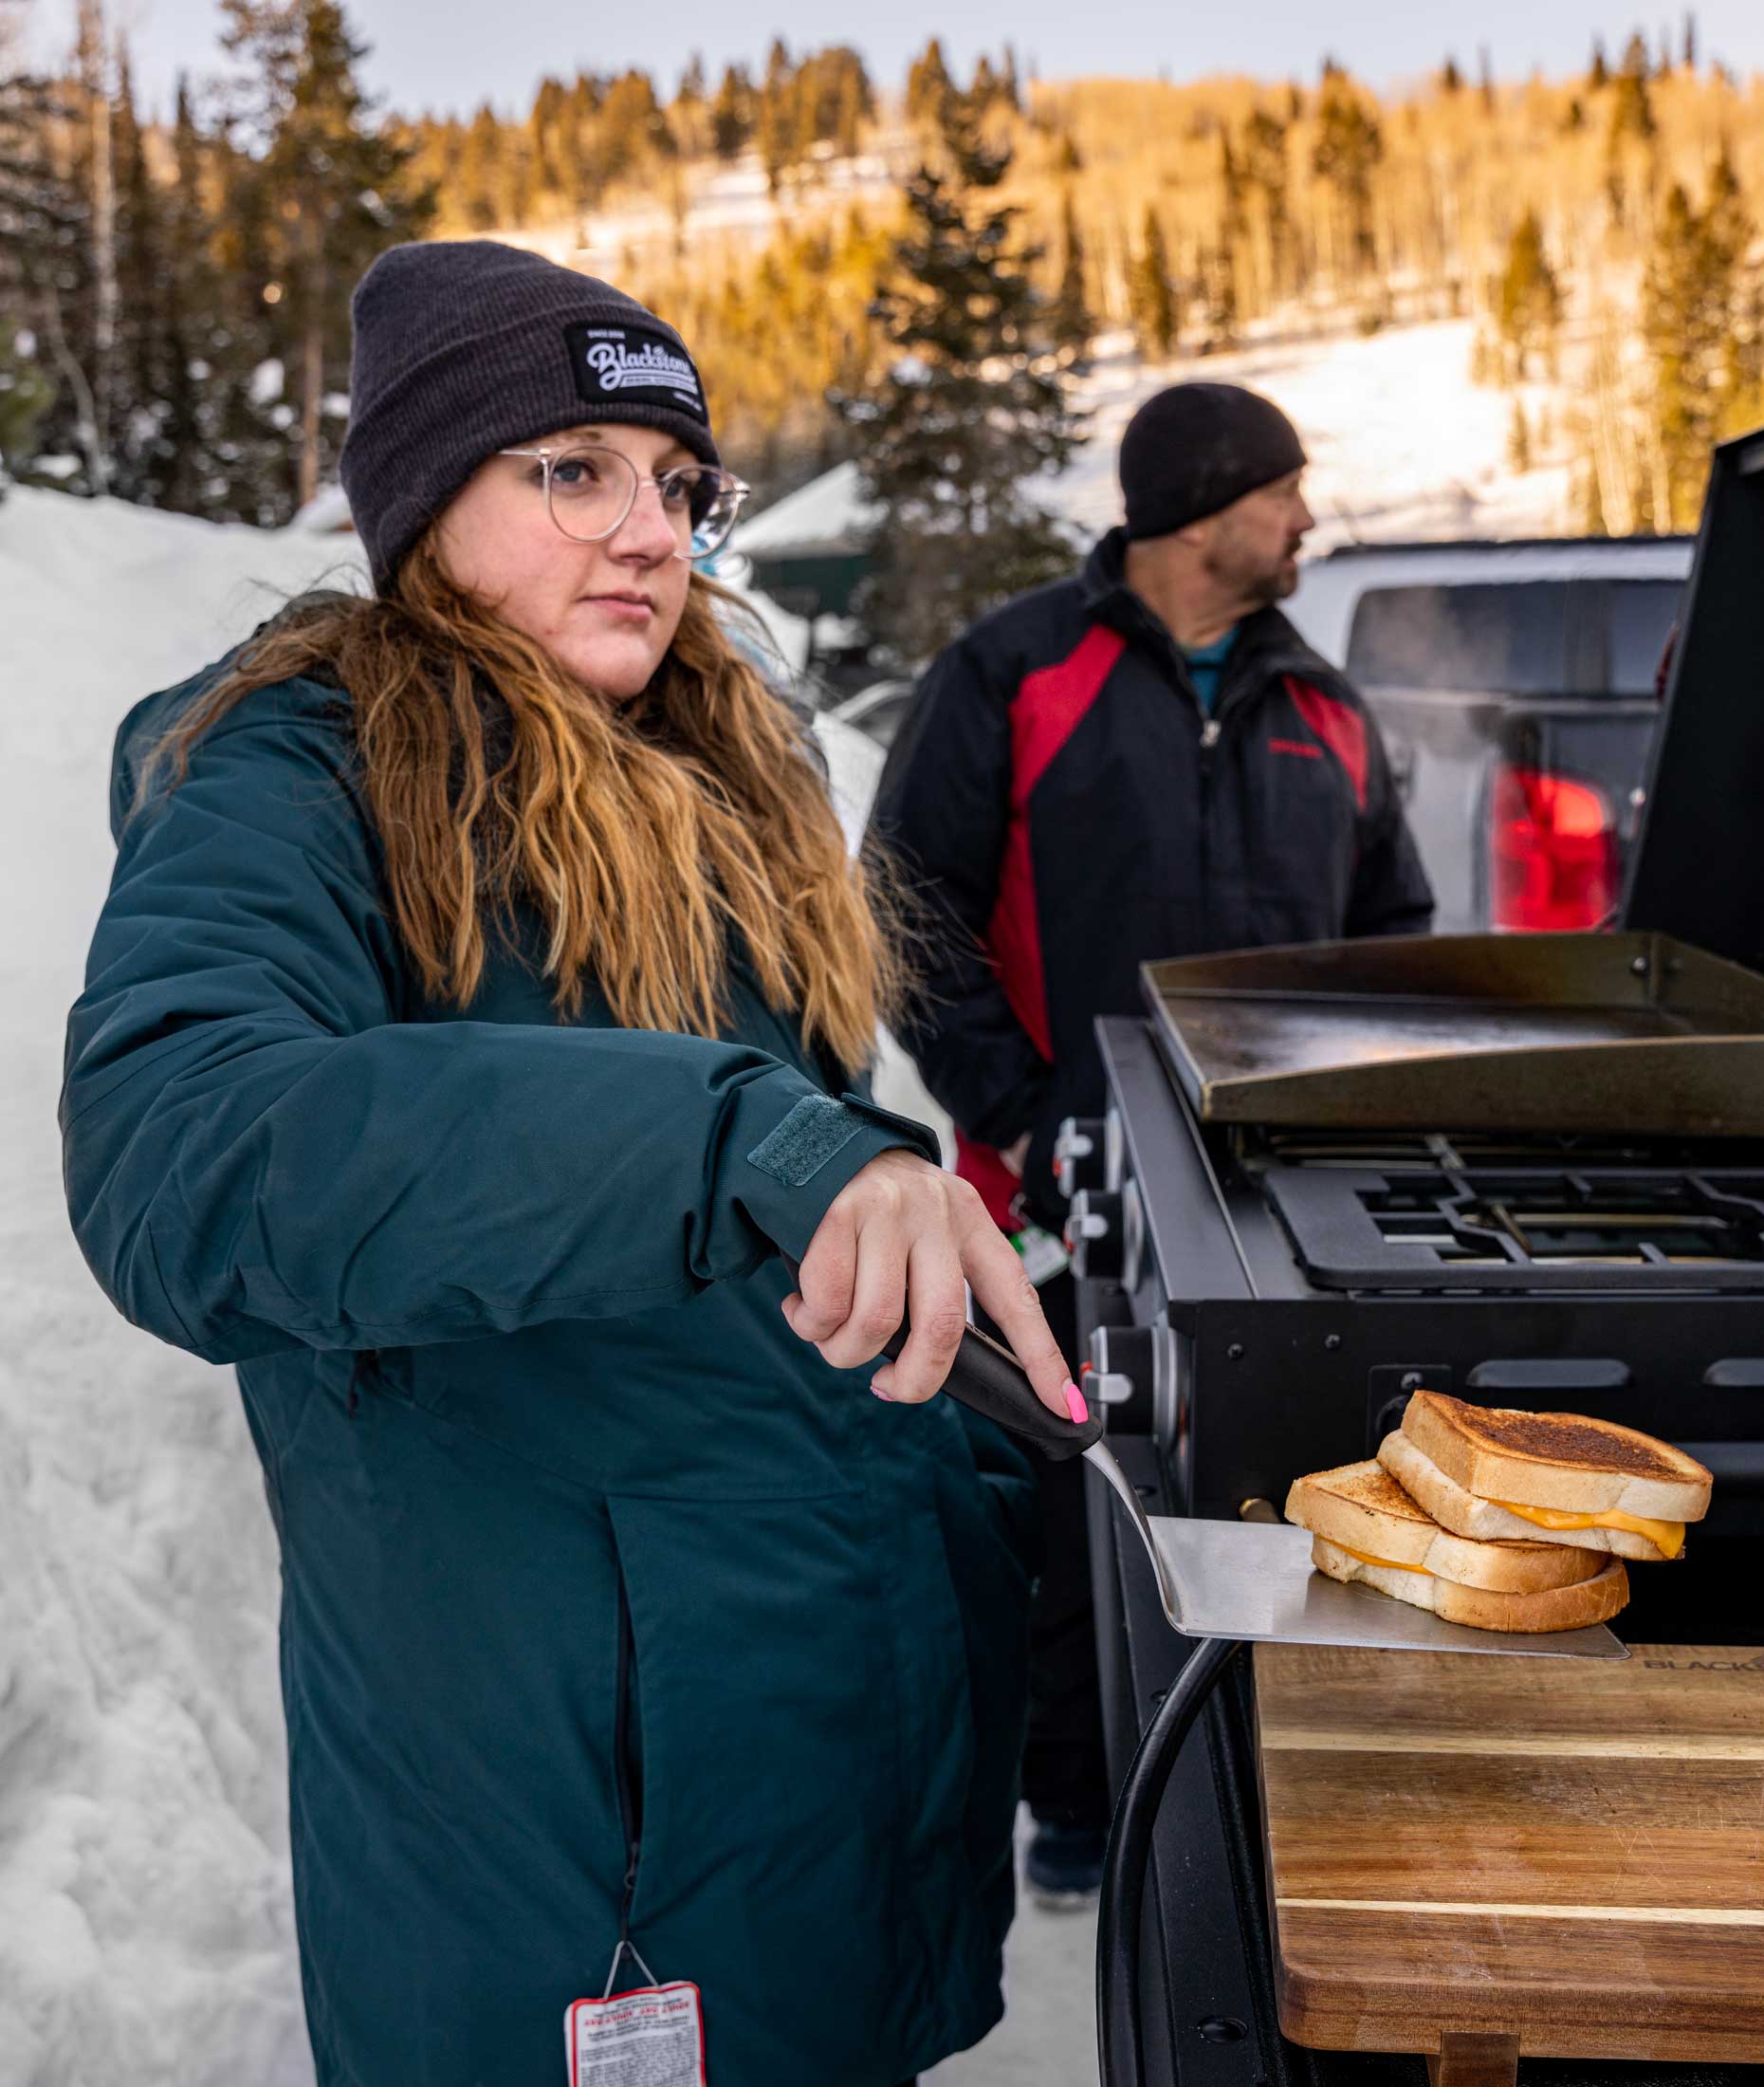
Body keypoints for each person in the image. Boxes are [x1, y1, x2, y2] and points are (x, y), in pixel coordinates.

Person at [60, 240, 1081, 2087]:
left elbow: (789, 1218)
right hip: (575, 1836)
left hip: (812, 1749)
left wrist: (989, 1458)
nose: (651, 531)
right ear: (425, 488)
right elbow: (182, 1146)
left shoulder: (717, 777)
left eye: (680, 484)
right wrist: (736, 1142)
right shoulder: (304, 773)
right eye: (572, 467)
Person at [873, 380, 1435, 1902]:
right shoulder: (1013, 676)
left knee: (1289, 1494)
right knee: (1075, 1495)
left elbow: (1399, 937)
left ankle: (1272, 1792)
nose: (1308, 519)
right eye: (1286, 491)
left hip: (1285, 1208)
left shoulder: (1325, 706)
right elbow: (904, 918)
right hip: (1061, 1200)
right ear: (1202, 503)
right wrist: (1027, 1116)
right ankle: (1072, 1800)